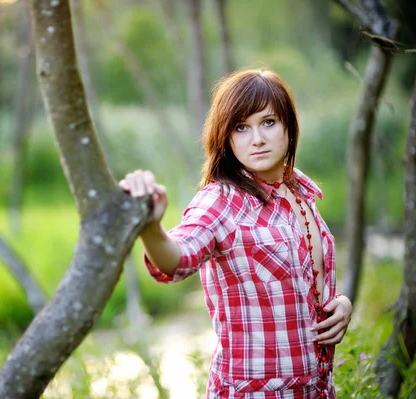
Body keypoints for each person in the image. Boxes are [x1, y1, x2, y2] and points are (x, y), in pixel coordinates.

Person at [119, 68, 353, 399]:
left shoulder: (299, 191)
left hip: (318, 389)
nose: (256, 138)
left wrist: (340, 303)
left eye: (268, 122)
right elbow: (176, 259)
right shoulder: (222, 201)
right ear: (226, 138)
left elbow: (302, 281)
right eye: (241, 127)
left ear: (289, 127)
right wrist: (150, 227)